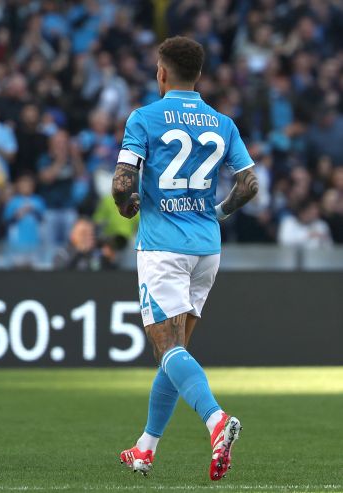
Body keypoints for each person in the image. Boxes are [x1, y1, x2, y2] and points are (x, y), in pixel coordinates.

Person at [111, 37, 258, 481]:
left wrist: (125, 205)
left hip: (162, 248)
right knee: (175, 354)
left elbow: (122, 182)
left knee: (167, 348)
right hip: (206, 248)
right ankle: (145, 448)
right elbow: (249, 184)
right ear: (198, 75)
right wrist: (217, 213)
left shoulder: (144, 118)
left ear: (161, 73)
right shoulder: (222, 122)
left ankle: (216, 422)